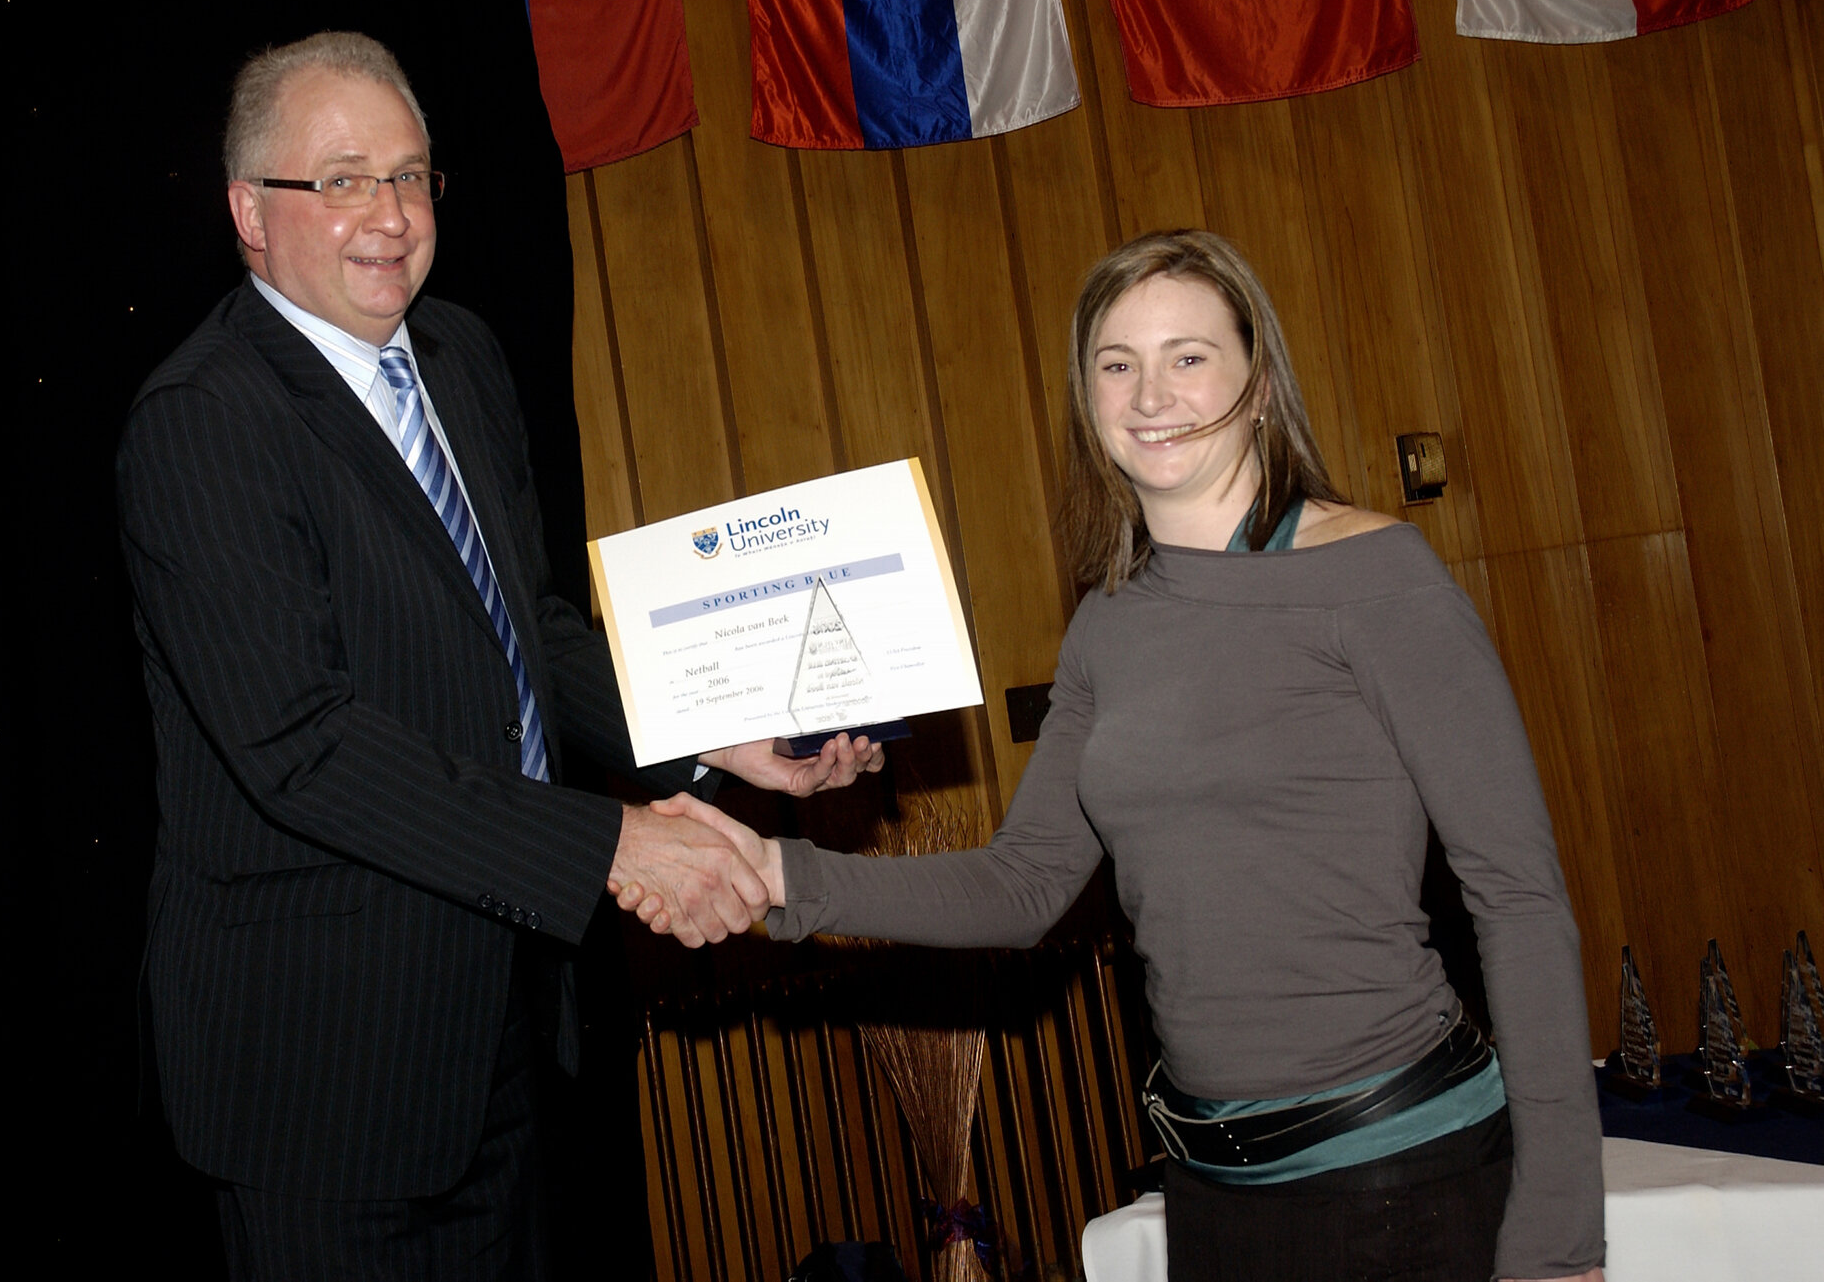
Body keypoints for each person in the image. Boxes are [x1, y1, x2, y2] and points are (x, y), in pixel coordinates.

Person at [628, 231, 1607, 1281]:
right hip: (1209, 1191)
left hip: (1397, 1180)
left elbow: (1515, 895)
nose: (1150, 394)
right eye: (1115, 363)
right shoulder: (1105, 622)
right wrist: (775, 873)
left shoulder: (1376, 577)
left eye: (1187, 356)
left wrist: (1557, 1234)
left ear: (1259, 383)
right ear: (1086, 400)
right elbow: (1025, 884)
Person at [116, 30, 878, 1278]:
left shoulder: (460, 358)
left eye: (412, 177)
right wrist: (615, 841)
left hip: (502, 1035)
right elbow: (301, 750)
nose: (391, 215)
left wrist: (709, 734)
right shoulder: (201, 425)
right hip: (321, 1078)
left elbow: (528, 623)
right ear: (252, 212)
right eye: (344, 178)